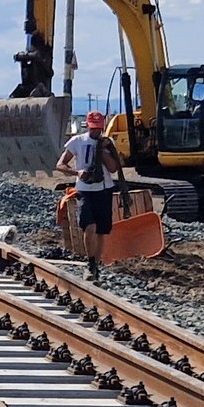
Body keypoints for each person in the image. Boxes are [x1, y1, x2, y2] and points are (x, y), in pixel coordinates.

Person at [53, 110, 124, 280]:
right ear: (88, 126)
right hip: (85, 190)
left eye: (99, 128)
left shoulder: (108, 143)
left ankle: (95, 266)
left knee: (101, 230)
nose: (96, 132)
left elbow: (114, 168)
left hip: (104, 189)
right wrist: (77, 172)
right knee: (89, 227)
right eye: (94, 128)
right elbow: (60, 165)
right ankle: (91, 261)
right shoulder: (77, 141)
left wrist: (104, 150)